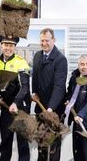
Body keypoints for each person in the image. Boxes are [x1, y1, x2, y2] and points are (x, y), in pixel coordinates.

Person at [32, 28, 68, 161]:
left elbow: (59, 87)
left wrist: (50, 109)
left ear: (54, 40)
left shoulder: (60, 60)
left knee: (53, 146)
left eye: (47, 40)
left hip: (54, 111)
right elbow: (35, 78)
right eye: (42, 40)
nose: (44, 43)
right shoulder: (37, 56)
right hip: (40, 109)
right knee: (41, 142)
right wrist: (34, 92)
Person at [0, 36, 31, 161]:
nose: (8, 48)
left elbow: (25, 87)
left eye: (11, 45)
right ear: (1, 46)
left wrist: (16, 103)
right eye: (6, 45)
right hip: (5, 108)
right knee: (5, 141)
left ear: (15, 47)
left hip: (20, 108)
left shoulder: (21, 62)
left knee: (22, 143)